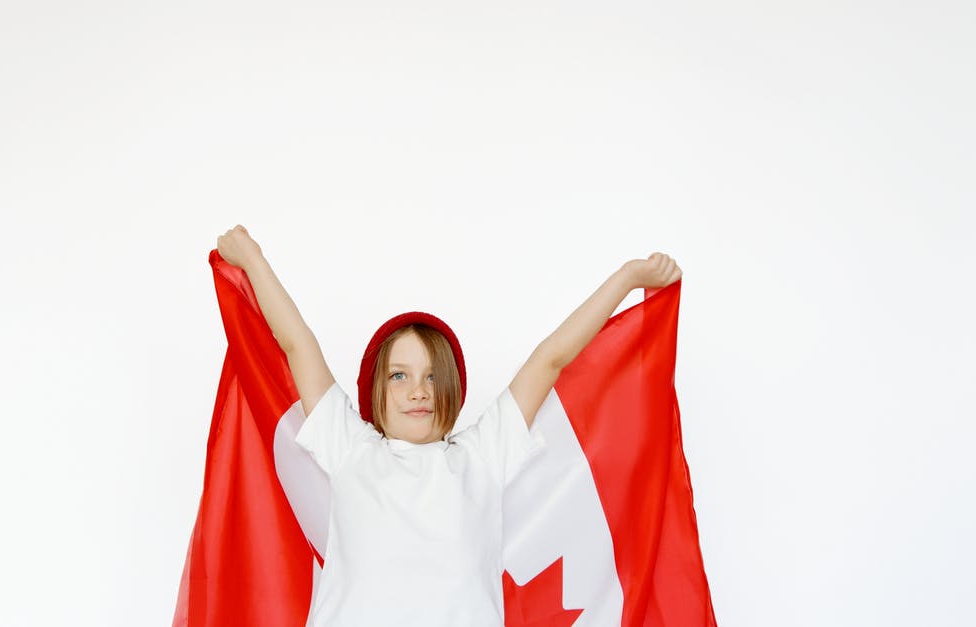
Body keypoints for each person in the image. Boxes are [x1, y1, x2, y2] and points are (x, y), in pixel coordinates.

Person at [214, 224, 682, 627]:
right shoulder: (349, 447)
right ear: (374, 390)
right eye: (400, 376)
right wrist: (252, 258)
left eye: (432, 377)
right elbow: (297, 344)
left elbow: (550, 359)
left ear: (453, 390)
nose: (418, 390)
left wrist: (627, 279)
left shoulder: (482, 455)